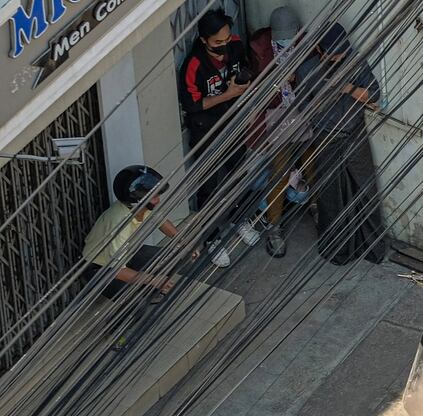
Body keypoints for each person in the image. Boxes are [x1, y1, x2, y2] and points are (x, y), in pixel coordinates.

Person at [294, 22, 386, 265]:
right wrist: (325, 98)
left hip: (355, 132)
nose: (338, 58)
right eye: (333, 54)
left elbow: (373, 93)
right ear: (320, 50)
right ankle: (339, 250)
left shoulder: (354, 61)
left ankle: (372, 248)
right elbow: (303, 108)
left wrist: (347, 88)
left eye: (341, 53)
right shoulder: (307, 71)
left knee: (365, 189)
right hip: (326, 137)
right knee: (331, 195)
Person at [178, 8, 254, 267]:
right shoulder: (194, 65)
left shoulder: (234, 45)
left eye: (226, 39)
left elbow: (244, 67)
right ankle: (212, 238)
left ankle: (239, 219)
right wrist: (229, 94)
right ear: (204, 41)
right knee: (208, 186)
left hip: (233, 123)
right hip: (206, 130)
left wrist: (242, 82)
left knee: (238, 174)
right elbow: (193, 104)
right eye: (217, 43)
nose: (223, 46)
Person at [245, 5, 315, 257]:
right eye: (281, 38)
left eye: (290, 37)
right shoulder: (261, 53)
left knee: (312, 163)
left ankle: (316, 207)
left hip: (304, 113)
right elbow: (257, 90)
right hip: (276, 119)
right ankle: (275, 228)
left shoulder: (306, 48)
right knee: (279, 173)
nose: (285, 42)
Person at [82, 166, 197, 300]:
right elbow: (116, 270)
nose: (158, 200)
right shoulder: (119, 223)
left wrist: (184, 242)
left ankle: (152, 291)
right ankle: (132, 309)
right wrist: (153, 280)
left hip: (128, 255)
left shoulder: (139, 207)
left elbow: (161, 221)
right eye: (154, 197)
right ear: (137, 198)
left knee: (174, 256)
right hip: (102, 269)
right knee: (135, 302)